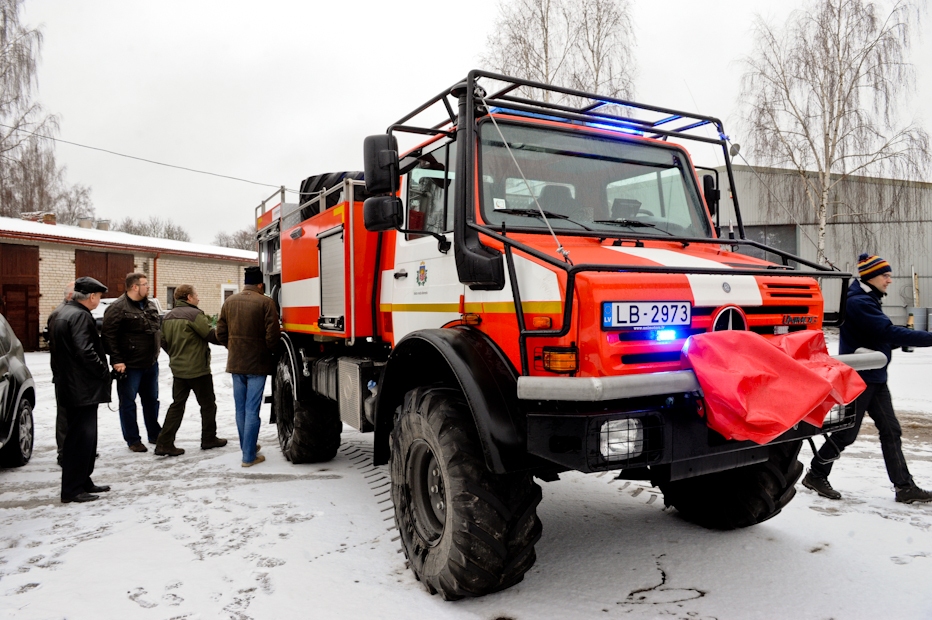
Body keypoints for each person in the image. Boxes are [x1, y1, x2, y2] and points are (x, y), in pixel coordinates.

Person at [804, 254, 932, 504]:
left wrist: (901, 340)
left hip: (874, 377)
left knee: (890, 430)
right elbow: (884, 331)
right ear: (871, 276)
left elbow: (880, 337)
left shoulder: (868, 299)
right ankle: (816, 474)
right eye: (886, 275)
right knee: (846, 434)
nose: (889, 280)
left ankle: (904, 487)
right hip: (860, 378)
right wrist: (925, 338)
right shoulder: (859, 302)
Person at [49, 277, 112, 503]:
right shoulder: (79, 316)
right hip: (82, 387)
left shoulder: (61, 312)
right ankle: (73, 489)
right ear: (92, 297)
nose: (99, 300)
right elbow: (86, 352)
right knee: (80, 439)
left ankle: (83, 480)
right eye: (99, 296)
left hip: (70, 384)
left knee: (82, 437)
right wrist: (103, 372)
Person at [215, 266, 280, 467]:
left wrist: (233, 348)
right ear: (260, 284)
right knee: (252, 409)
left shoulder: (229, 301)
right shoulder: (266, 302)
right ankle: (248, 456)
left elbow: (220, 333)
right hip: (257, 364)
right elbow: (272, 336)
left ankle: (247, 447)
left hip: (236, 363)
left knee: (240, 409)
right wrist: (270, 352)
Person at [154, 285, 227, 456]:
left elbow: (162, 341)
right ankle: (209, 438)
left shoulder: (168, 316)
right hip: (198, 370)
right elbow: (210, 335)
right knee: (208, 405)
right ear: (189, 297)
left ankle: (164, 442)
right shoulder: (194, 314)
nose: (198, 298)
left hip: (178, 369)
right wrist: (230, 337)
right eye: (196, 295)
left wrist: (174, 354)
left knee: (177, 405)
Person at [101, 272, 162, 453]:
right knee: (128, 403)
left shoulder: (150, 305)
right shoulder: (118, 307)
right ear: (134, 287)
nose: (148, 287)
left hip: (150, 363)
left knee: (151, 401)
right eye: (145, 284)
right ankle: (133, 439)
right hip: (130, 364)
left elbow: (157, 330)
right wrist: (117, 360)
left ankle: (154, 433)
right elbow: (108, 335)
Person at [46, 281, 75, 466]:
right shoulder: (60, 314)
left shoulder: (66, 312)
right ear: (71, 295)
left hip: (68, 372)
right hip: (65, 373)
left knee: (74, 414)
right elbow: (57, 347)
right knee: (65, 414)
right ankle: (64, 452)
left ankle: (74, 449)